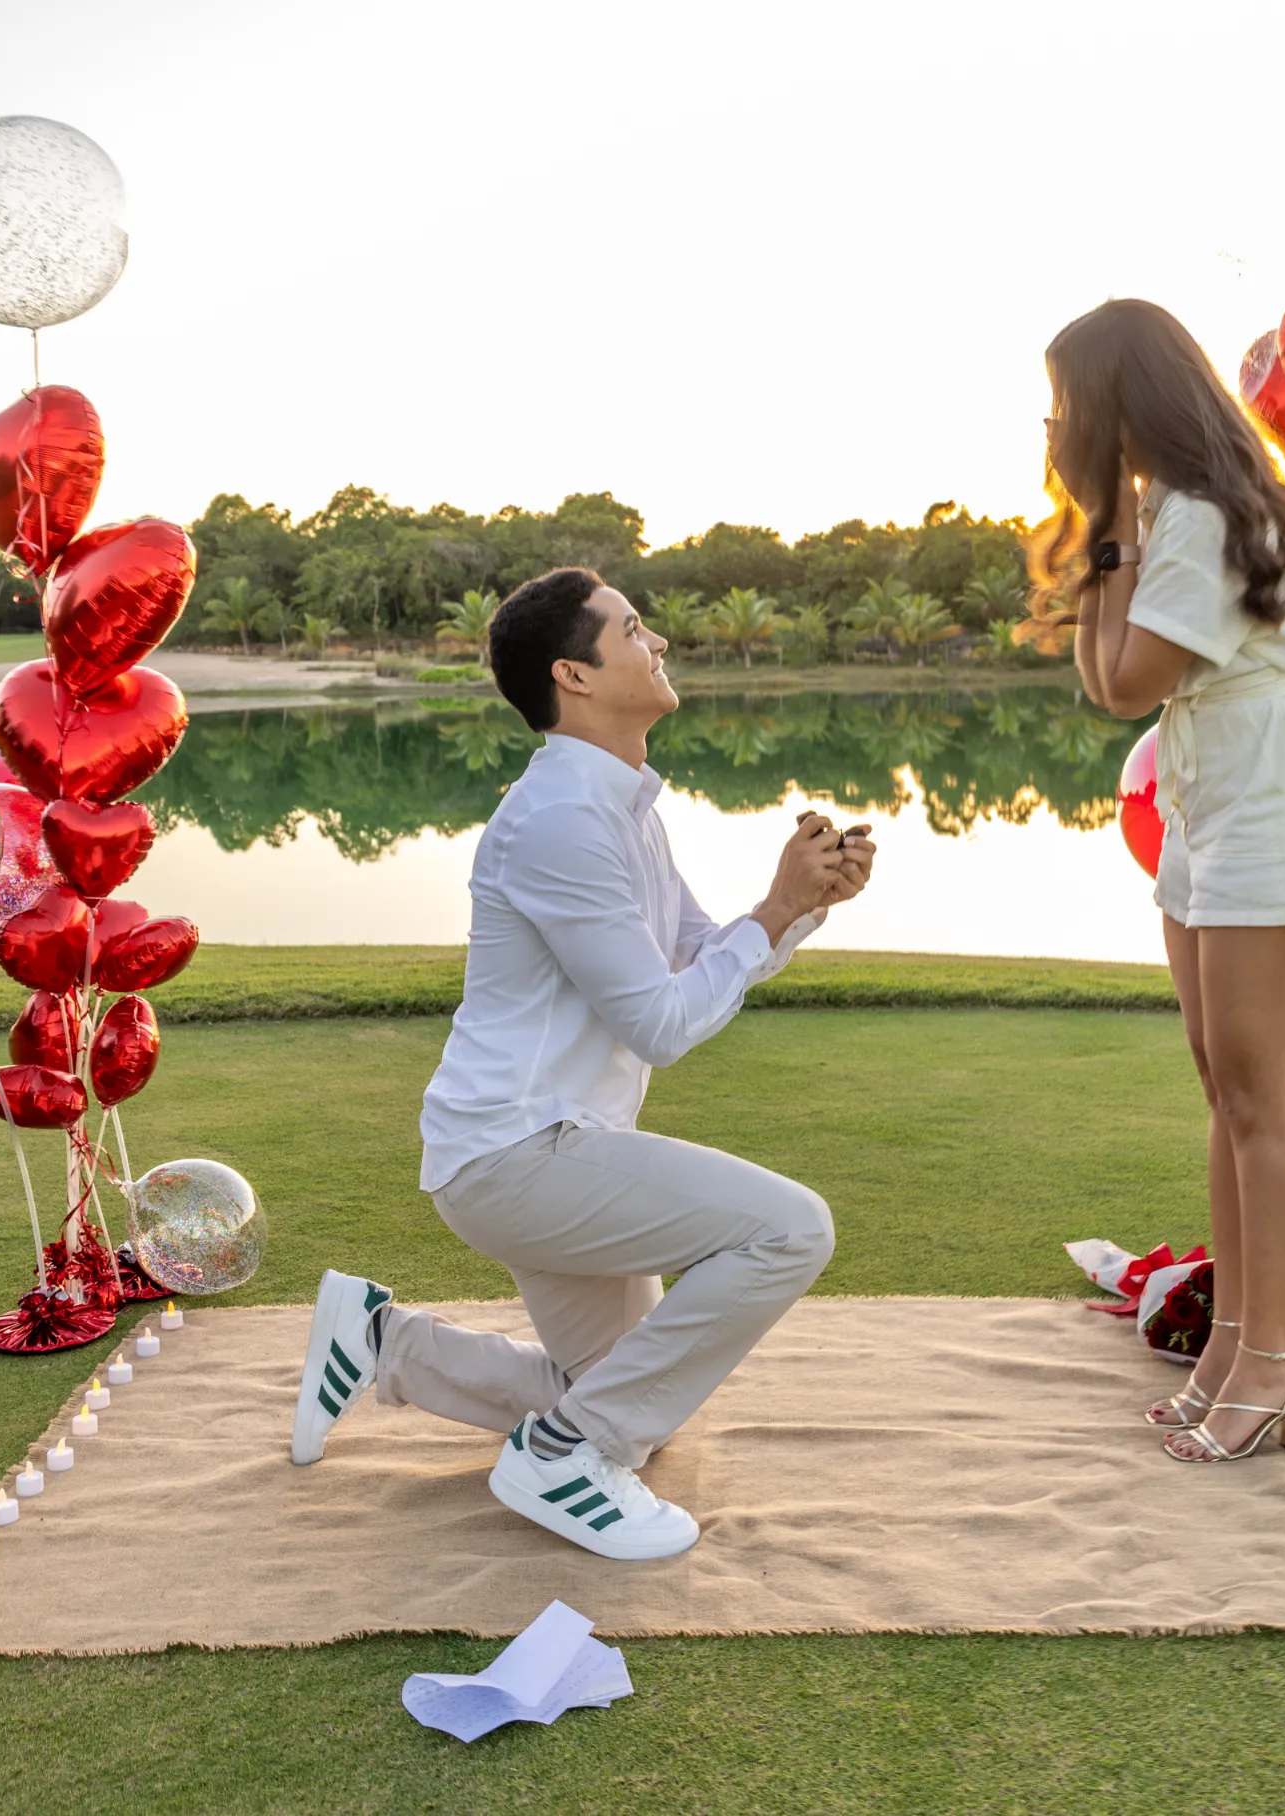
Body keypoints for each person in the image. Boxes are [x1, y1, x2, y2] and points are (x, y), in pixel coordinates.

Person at [290, 566, 875, 1558]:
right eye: (634, 629)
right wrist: (775, 908)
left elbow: (694, 954)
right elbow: (660, 1025)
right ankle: (561, 1458)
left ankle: (383, 1341)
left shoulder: (619, 807)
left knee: (623, 1404)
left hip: (551, 1148)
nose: (658, 643)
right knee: (789, 1230)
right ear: (575, 674)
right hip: (517, 1156)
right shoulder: (561, 819)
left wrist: (798, 907)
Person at [1033, 298, 1285, 1464]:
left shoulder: (1203, 514)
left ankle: (1272, 1363)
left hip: (1264, 785)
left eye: (1065, 400)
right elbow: (1106, 681)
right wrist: (1105, 530)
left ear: (1118, 401)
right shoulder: (1166, 512)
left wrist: (1112, 529)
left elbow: (1124, 680)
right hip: (1208, 786)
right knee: (1225, 1088)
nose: (1053, 422)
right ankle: (1232, 1342)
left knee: (1258, 1096)